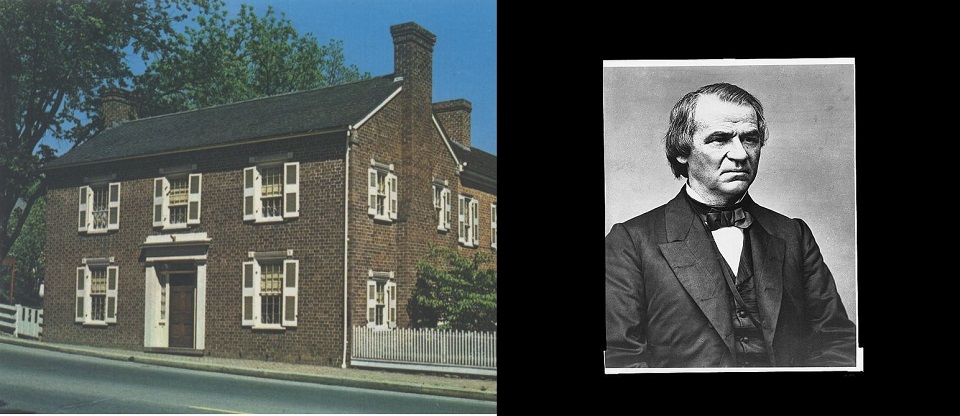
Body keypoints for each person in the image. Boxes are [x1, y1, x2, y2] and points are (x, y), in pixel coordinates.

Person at [604, 82, 856, 368]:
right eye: (720, 139)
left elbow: (836, 341)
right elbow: (621, 359)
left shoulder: (793, 234)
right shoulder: (630, 242)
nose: (740, 154)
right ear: (681, 151)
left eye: (749, 138)